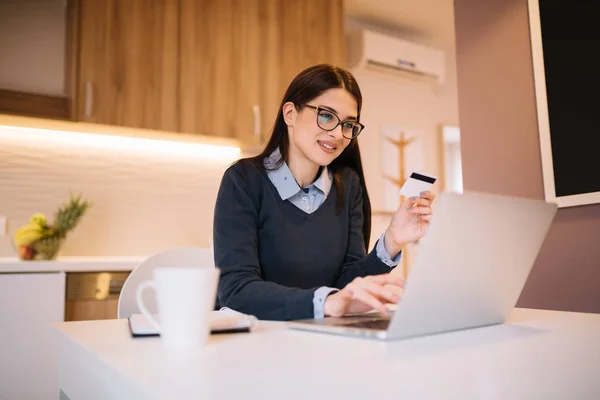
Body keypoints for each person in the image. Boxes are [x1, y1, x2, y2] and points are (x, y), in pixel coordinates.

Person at [213, 64, 435, 321]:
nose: (338, 134)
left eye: (348, 124)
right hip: (260, 342)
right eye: (327, 116)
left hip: (324, 339)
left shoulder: (348, 186)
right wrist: (326, 303)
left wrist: (393, 240)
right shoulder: (243, 180)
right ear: (290, 114)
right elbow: (237, 291)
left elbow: (347, 284)